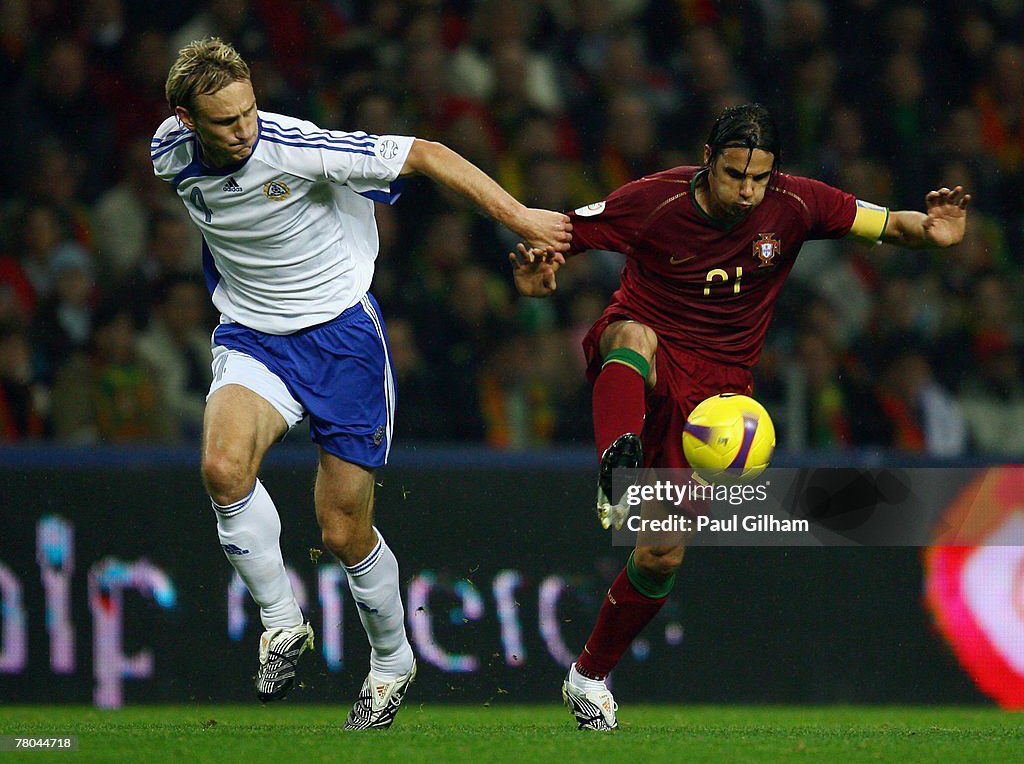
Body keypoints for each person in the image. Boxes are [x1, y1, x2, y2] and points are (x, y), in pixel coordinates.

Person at [510, 103, 970, 731]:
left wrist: (934, 232)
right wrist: (537, 272)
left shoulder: (799, 203)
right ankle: (615, 467)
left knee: (662, 555)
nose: (747, 191)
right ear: (707, 160)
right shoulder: (655, 201)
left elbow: (890, 225)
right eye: (734, 175)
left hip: (719, 398)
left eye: (759, 178)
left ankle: (587, 677)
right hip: (651, 349)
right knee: (632, 337)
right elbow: (560, 233)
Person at [153, 37, 570, 728]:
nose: (245, 128)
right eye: (226, 121)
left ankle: (392, 660)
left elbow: (428, 155)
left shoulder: (297, 146)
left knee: (343, 531)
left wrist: (521, 219)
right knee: (223, 468)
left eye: (250, 109)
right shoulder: (169, 153)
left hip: (342, 341)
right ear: (185, 119)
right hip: (253, 338)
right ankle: (282, 624)